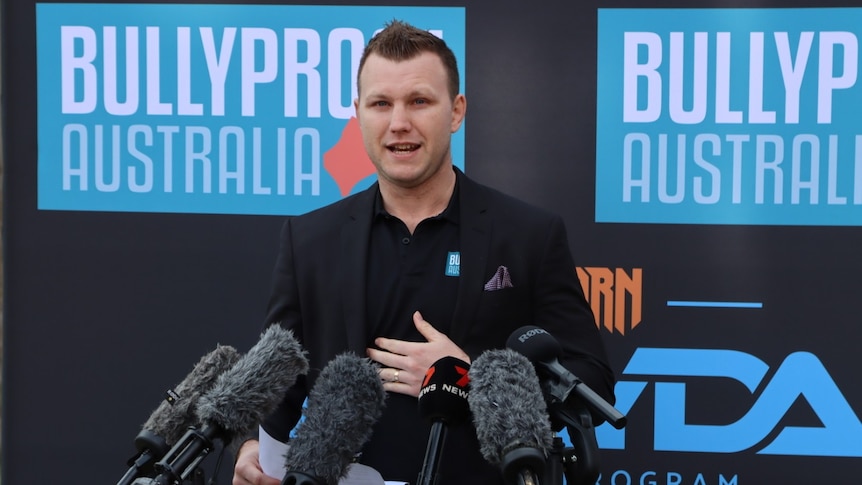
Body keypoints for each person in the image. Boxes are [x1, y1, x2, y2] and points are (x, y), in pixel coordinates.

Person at [232, 19, 615, 485]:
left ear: (455, 111)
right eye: (380, 104)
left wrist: (471, 380)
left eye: (419, 101)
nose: (399, 123)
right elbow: (280, 378)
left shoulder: (529, 235)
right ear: (358, 113)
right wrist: (251, 444)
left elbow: (590, 383)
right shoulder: (309, 239)